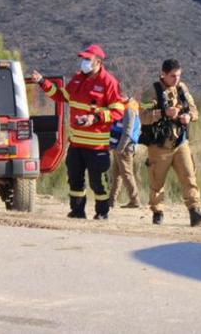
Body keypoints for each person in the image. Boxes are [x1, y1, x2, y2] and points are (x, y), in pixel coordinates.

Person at [31, 44, 133, 220]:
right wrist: (42, 82)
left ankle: (102, 212)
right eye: (83, 59)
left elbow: (118, 111)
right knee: (75, 180)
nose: (84, 62)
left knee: (98, 182)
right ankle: (77, 211)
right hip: (76, 143)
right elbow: (61, 96)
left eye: (88, 59)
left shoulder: (108, 82)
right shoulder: (78, 79)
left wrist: (95, 118)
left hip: (97, 146)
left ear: (98, 62)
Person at [140, 59, 201, 227]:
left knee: (189, 176)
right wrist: (163, 113)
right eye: (172, 76)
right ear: (163, 74)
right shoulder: (152, 91)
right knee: (157, 181)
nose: (176, 79)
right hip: (159, 146)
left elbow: (194, 110)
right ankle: (158, 211)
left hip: (179, 142)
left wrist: (189, 117)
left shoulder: (182, 89)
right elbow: (143, 116)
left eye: (178, 75)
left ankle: (195, 211)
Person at [108, 97, 142, 209]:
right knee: (117, 174)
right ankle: (111, 200)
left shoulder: (129, 109)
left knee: (127, 174)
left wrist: (119, 148)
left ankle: (135, 200)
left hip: (124, 147)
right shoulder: (128, 107)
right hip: (121, 146)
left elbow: (127, 131)